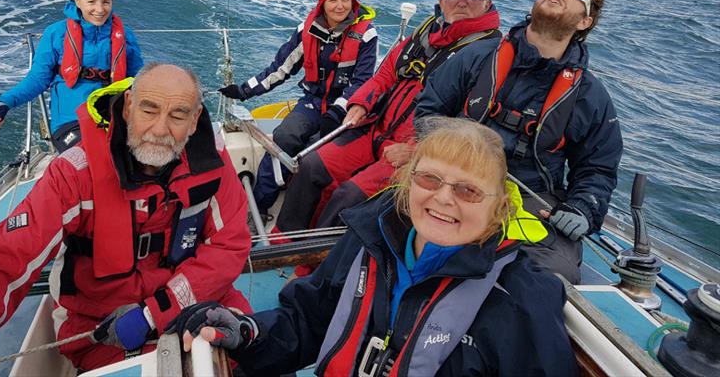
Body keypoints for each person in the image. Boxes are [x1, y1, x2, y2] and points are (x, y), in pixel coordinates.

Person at [170, 119, 577, 377]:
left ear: (498, 208)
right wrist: (248, 332)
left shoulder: (522, 300)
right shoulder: (369, 244)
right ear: (408, 184)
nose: (443, 199)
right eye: (430, 180)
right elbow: (307, 324)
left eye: (468, 190)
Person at [0, 64, 251, 375]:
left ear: (194, 123)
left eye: (178, 115)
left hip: (200, 299)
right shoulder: (75, 174)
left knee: (258, 353)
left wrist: (155, 313)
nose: (160, 129)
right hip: (101, 325)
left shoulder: (210, 162)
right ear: (127, 106)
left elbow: (229, 244)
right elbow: (0, 262)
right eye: (149, 110)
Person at [415, 0, 623, 284]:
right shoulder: (478, 56)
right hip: (458, 176)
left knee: (552, 275)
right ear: (536, 0)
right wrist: (461, 151)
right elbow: (428, 113)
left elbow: (598, 168)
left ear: (585, 21)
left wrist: (583, 208)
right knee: (381, 219)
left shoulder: (590, 96)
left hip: (533, 198)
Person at [273, 0, 500, 241]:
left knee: (350, 195)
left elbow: (468, 124)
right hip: (376, 128)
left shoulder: (489, 54)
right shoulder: (427, 30)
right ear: (442, 0)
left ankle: (311, 263)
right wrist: (360, 104)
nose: (461, 2)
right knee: (312, 166)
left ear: (486, 3)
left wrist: (417, 151)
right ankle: (281, 241)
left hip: (415, 150)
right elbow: (385, 74)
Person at [220, 0, 377, 216]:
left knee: (319, 154)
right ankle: (258, 206)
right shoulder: (306, 30)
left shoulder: (367, 34)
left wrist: (338, 110)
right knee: (284, 138)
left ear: (353, 0)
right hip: (313, 102)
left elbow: (363, 81)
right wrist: (243, 90)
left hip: (344, 111)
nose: (340, 6)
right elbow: (280, 69)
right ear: (322, 3)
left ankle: (303, 212)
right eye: (333, 0)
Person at [0, 0, 144, 153]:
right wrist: (6, 102)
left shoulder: (125, 35)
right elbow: (37, 80)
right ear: (77, 0)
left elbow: (138, 79)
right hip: (71, 119)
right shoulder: (56, 33)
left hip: (113, 115)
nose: (100, 9)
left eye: (106, 2)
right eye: (91, 1)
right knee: (91, 156)